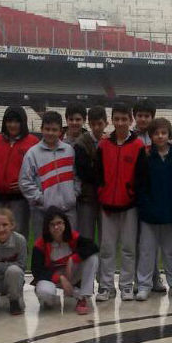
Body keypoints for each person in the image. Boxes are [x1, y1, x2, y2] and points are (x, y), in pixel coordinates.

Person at [96, 102, 147, 301]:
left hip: (129, 206)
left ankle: (126, 285)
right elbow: (98, 174)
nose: (120, 123)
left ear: (130, 120)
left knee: (128, 248)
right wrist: (102, 193)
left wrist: (132, 194)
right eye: (116, 119)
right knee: (107, 248)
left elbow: (142, 177)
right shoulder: (103, 145)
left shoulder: (137, 146)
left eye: (124, 119)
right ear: (111, 120)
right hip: (107, 205)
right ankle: (106, 286)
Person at [136, 118, 172, 300]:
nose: (160, 136)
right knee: (147, 251)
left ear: (169, 135)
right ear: (151, 136)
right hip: (150, 214)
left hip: (171, 213)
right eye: (156, 133)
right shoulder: (146, 158)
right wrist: (146, 207)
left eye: (163, 133)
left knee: (171, 251)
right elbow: (140, 187)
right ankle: (144, 285)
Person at [19, 111, 79, 240]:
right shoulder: (32, 153)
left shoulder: (69, 150)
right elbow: (25, 182)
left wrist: (73, 195)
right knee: (44, 250)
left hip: (68, 210)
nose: (50, 133)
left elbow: (77, 176)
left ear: (60, 131)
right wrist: (42, 200)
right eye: (47, 129)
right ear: (41, 129)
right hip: (42, 212)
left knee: (68, 248)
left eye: (54, 129)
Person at [31, 210, 100, 315]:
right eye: (52, 224)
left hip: (71, 274)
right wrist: (60, 278)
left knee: (92, 258)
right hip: (52, 278)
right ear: (47, 227)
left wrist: (73, 259)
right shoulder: (40, 244)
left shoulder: (72, 237)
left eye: (59, 223)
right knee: (45, 294)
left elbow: (93, 247)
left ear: (65, 224)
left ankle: (83, 297)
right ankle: (53, 297)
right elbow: (37, 271)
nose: (56, 227)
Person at [0, 106, 39, 242]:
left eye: (17, 121)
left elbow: (37, 171)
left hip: (19, 199)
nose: (12, 125)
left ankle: (18, 262)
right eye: (9, 121)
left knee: (18, 234)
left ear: (23, 123)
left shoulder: (32, 142)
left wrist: (26, 184)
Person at [68, 103, 100, 245]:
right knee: (77, 237)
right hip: (70, 197)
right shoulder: (59, 142)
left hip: (88, 195)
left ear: (84, 120)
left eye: (78, 119)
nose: (74, 123)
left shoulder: (93, 141)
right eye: (71, 119)